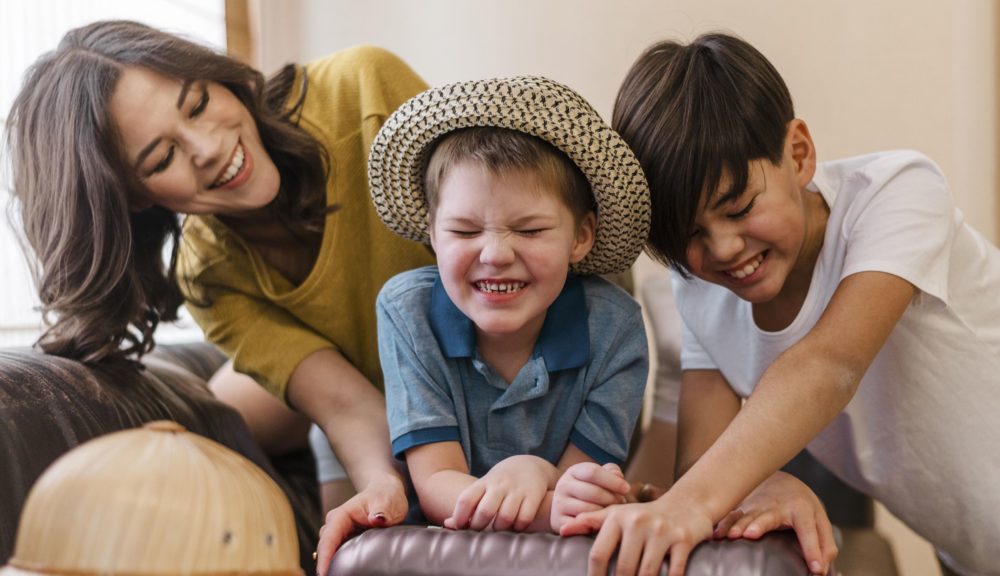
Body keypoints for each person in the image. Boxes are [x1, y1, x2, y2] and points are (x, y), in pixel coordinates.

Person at [562, 32, 1000, 576]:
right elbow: (702, 457)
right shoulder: (700, 288)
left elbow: (830, 363)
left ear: (799, 154)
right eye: (692, 235)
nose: (723, 249)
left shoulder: (897, 192)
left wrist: (695, 501)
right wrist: (761, 483)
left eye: (740, 207)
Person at [5, 19, 435, 568]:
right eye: (162, 159)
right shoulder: (207, 274)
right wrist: (381, 487)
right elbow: (346, 404)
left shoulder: (363, 90)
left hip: (477, 369)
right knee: (218, 426)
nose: (209, 147)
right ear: (134, 199)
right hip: (369, 396)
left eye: (199, 102)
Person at [364, 76, 650, 536]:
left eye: (531, 230)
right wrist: (537, 490)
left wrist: (537, 474)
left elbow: (584, 490)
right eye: (463, 231)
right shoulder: (407, 312)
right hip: (442, 553)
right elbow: (436, 481)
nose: (495, 254)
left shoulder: (616, 329)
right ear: (434, 234)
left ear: (581, 236)